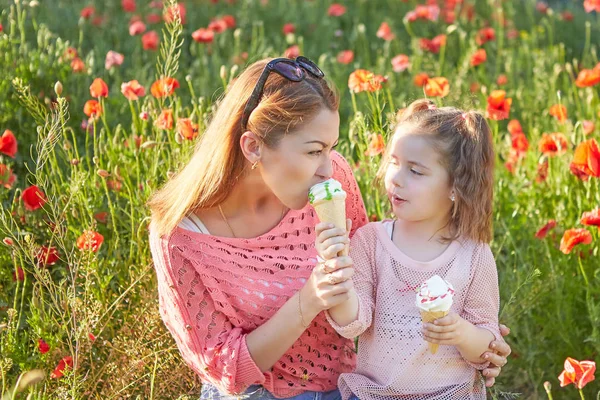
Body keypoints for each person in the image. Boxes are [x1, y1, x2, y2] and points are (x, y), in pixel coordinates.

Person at [147, 57, 511, 400]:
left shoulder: (333, 178)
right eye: (312, 151)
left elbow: (376, 289)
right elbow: (227, 370)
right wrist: (309, 300)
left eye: (330, 148)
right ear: (253, 146)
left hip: (345, 387)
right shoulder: (179, 237)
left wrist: (477, 341)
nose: (328, 167)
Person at [316, 99, 506, 400]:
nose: (396, 179)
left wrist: (461, 332)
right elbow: (353, 323)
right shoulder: (371, 241)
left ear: (455, 186)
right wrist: (336, 274)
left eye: (416, 171)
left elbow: (487, 344)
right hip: (373, 394)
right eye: (394, 162)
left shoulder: (473, 255)